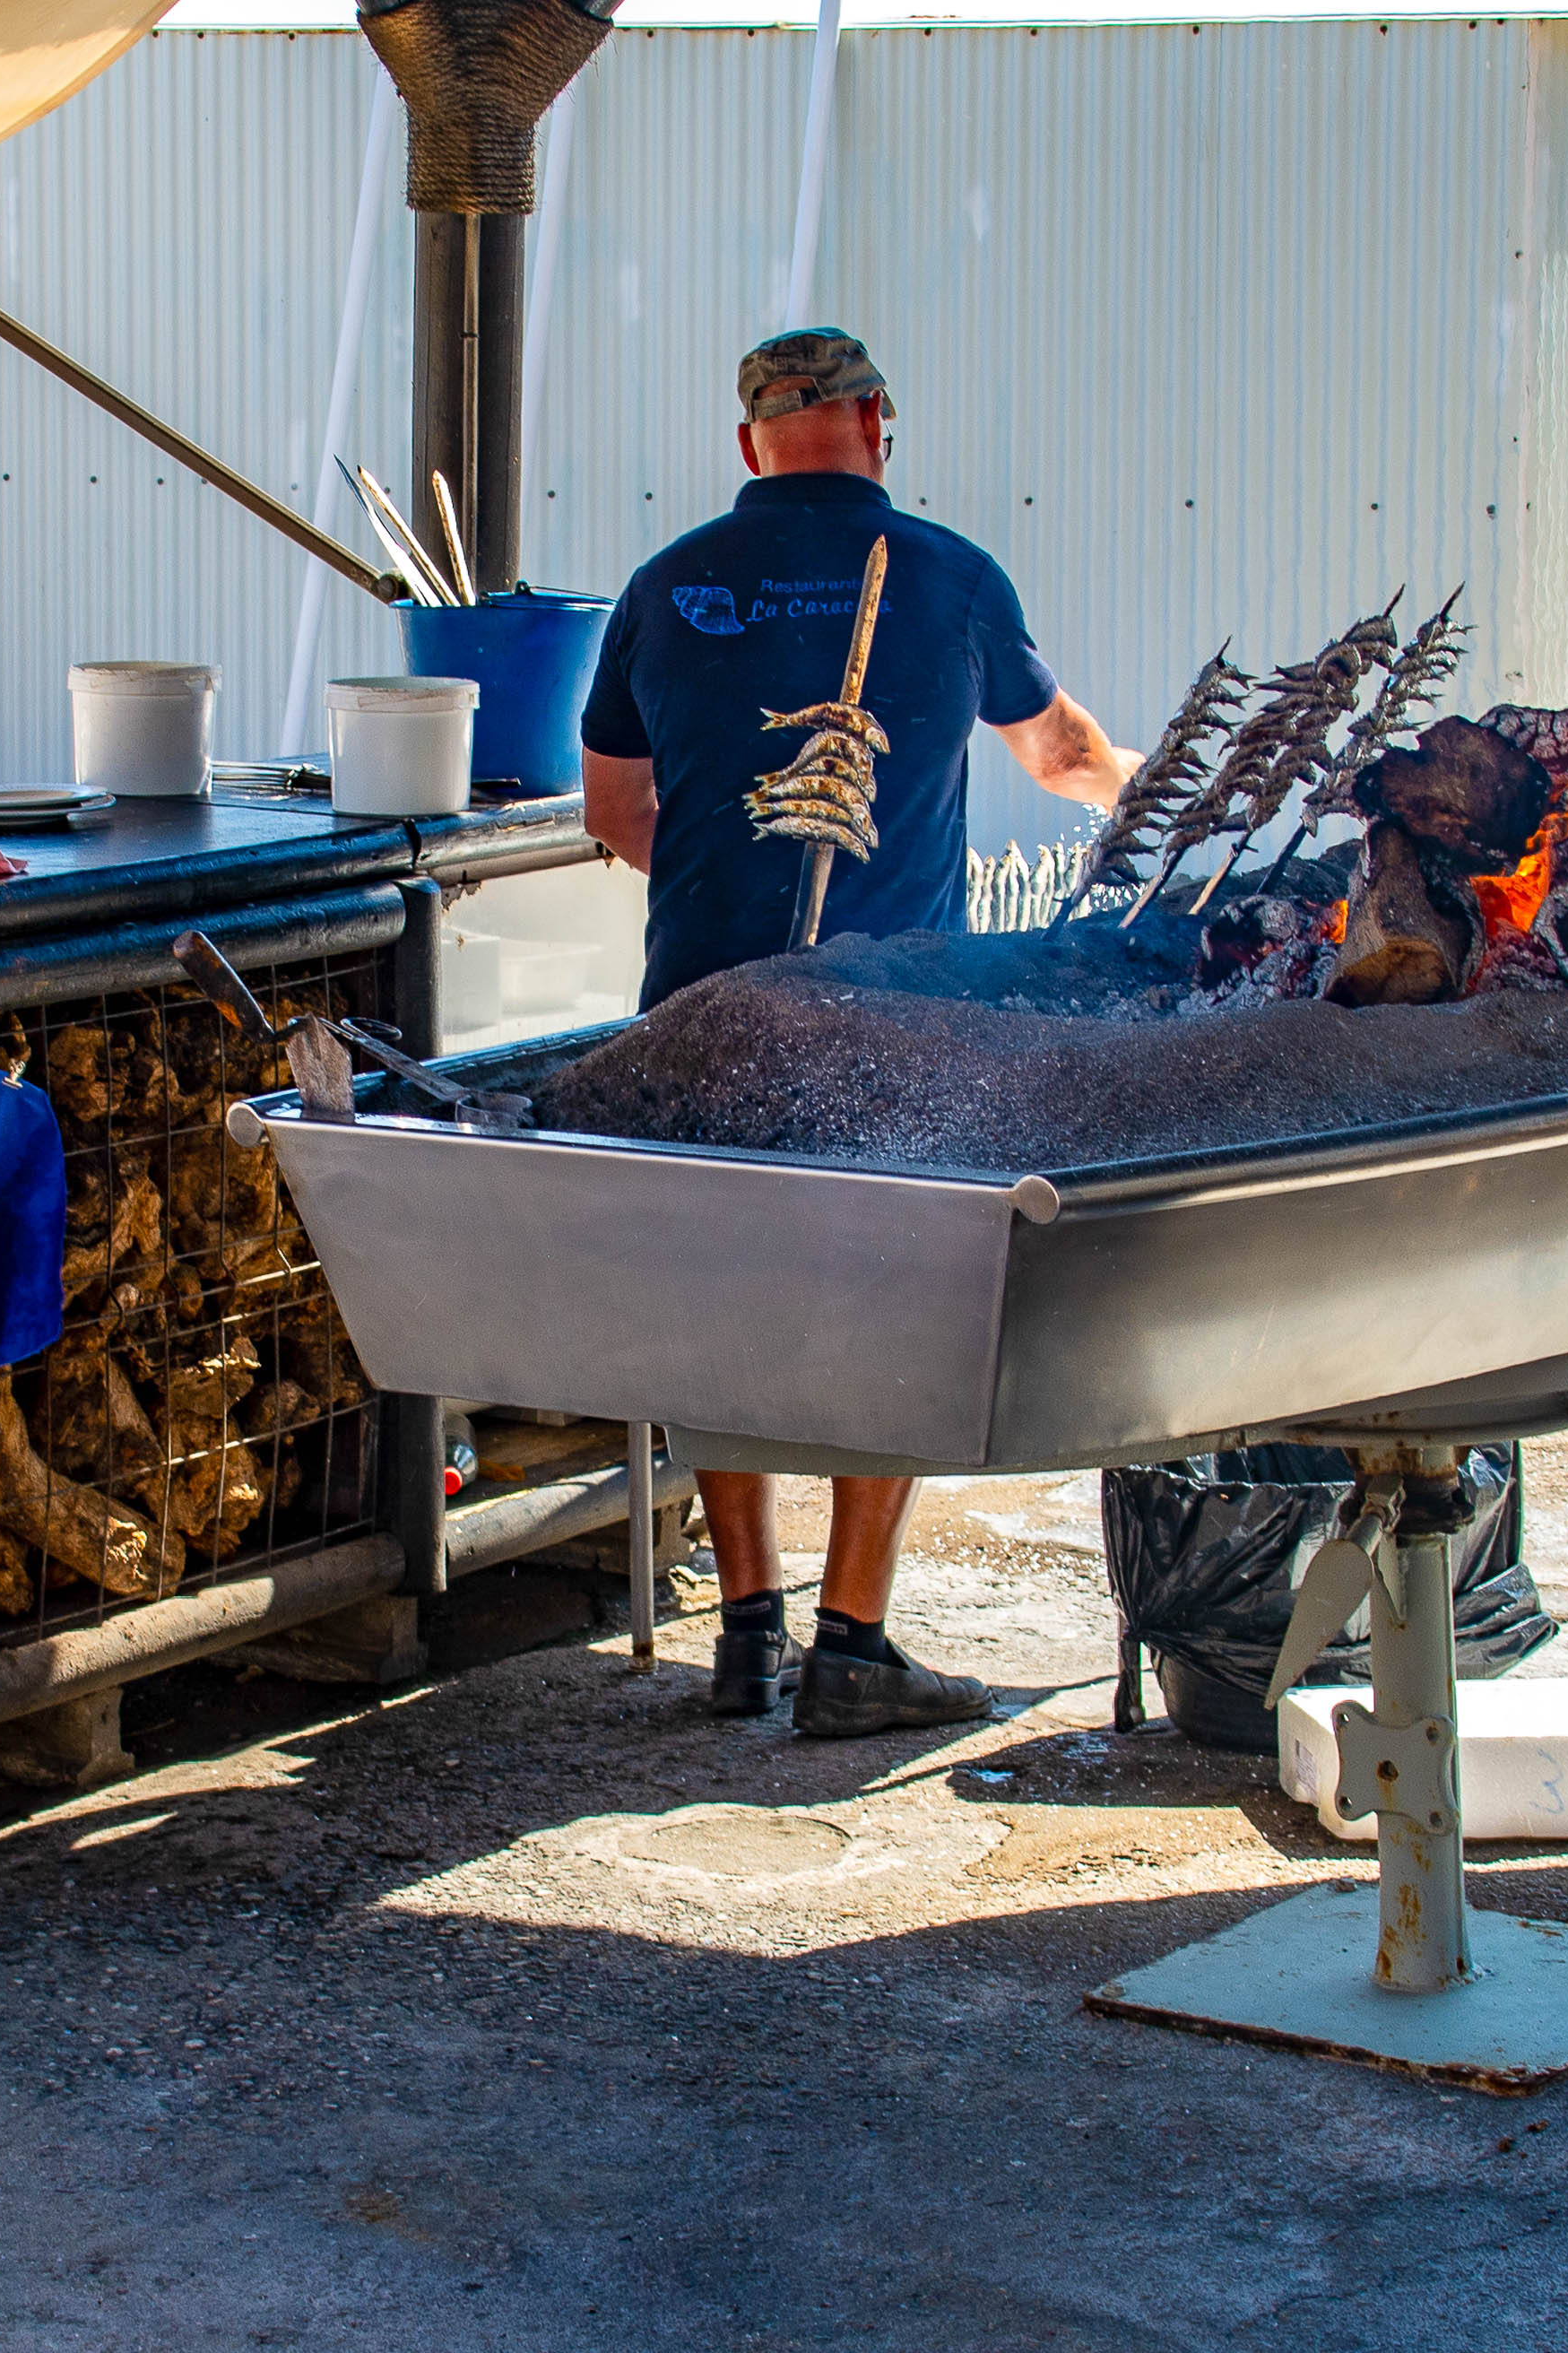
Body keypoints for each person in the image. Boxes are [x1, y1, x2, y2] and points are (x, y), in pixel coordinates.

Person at [576, 327, 1133, 1737]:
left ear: (753, 443)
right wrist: (1155, 804)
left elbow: (614, 818)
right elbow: (1060, 754)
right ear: (878, 421)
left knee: (718, 1302)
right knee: (895, 1305)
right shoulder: (947, 577)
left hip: (703, 1007)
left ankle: (747, 1629)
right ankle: (856, 1642)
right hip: (895, 1014)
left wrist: (734, 882)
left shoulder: (667, 584)